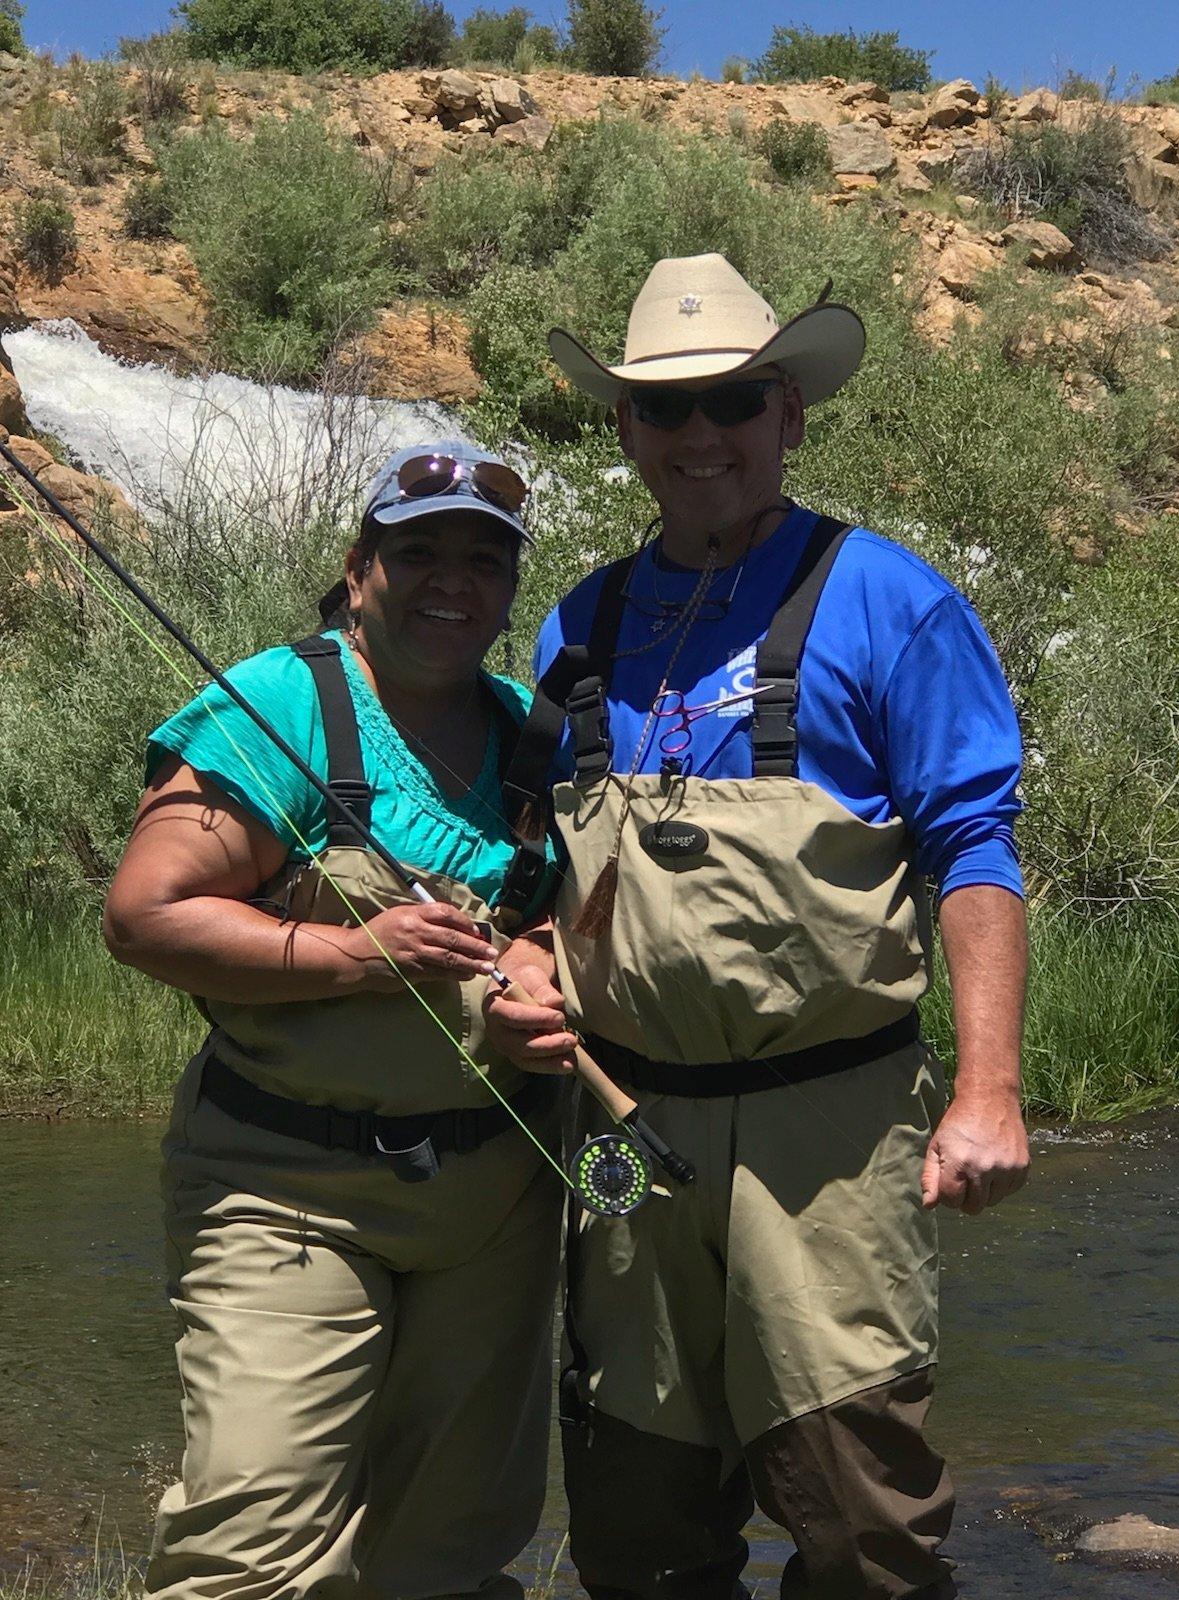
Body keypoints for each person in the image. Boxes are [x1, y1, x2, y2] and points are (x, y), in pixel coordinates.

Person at [486, 254, 1031, 1599]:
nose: (700, 436)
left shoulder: (891, 601)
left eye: (731, 402)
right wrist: (521, 961)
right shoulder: (579, 624)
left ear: (788, 414)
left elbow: (973, 849)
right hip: (619, 1133)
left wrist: (990, 1092)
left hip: (828, 1137)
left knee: (864, 1526)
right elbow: (533, 860)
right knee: (633, 1514)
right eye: (665, 412)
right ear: (623, 431)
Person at [103, 441, 564, 1600]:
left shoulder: (532, 735)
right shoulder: (274, 705)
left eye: (483, 558)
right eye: (419, 553)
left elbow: (572, 919)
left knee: (444, 1553)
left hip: (494, 1201)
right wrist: (357, 954)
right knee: (250, 1552)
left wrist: (540, 964)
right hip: (284, 1186)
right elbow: (145, 916)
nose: (452, 580)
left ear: (511, 589)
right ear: (359, 569)